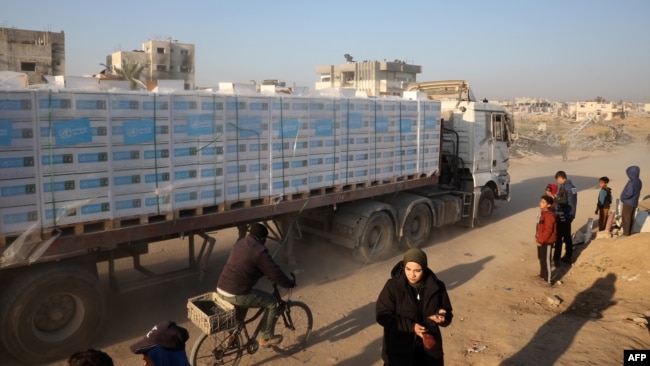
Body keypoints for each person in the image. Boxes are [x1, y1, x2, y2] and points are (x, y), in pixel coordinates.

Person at [216, 223, 295, 347]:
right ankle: (266, 338)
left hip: (221, 289)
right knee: (271, 302)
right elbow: (275, 271)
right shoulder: (259, 251)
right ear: (263, 238)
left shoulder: (240, 243)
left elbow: (244, 265)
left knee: (244, 305)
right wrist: (289, 283)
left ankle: (232, 336)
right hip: (236, 293)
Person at [376, 248, 453, 366]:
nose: (412, 274)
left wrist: (443, 317)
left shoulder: (437, 287)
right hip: (399, 351)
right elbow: (382, 315)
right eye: (408, 269)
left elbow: (447, 313)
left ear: (424, 268)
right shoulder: (392, 287)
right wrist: (411, 327)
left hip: (429, 352)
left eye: (417, 270)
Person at [553, 171, 577, 266]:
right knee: (567, 236)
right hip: (570, 214)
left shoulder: (565, 188)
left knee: (559, 237)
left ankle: (556, 258)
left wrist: (554, 198)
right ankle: (568, 255)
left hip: (564, 214)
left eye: (557, 179)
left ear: (560, 178)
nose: (557, 181)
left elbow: (562, 202)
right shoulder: (573, 187)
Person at [536, 195, 556, 286]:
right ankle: (542, 275)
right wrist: (537, 238)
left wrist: (540, 240)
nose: (540, 203)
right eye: (541, 201)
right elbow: (539, 227)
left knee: (547, 260)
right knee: (541, 258)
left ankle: (548, 280)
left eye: (543, 202)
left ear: (549, 205)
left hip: (547, 241)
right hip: (541, 240)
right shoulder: (542, 213)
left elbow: (548, 230)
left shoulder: (549, 215)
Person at [620, 166, 642, 236]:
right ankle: (629, 232)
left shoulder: (631, 182)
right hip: (634, 202)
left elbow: (628, 193)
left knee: (626, 218)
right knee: (631, 217)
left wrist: (622, 197)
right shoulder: (639, 181)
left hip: (628, 202)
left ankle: (625, 234)